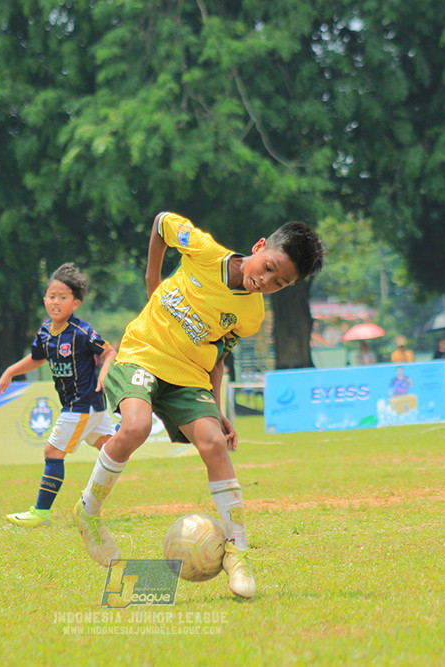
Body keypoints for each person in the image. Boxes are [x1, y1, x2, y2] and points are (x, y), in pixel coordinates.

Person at [70, 212, 324, 600]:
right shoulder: (204, 251)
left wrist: (218, 410)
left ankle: (237, 552)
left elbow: (218, 358)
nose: (267, 281)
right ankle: (88, 512)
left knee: (214, 444)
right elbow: (159, 223)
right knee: (135, 427)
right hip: (142, 354)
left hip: (188, 376)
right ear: (259, 247)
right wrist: (152, 281)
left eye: (281, 282)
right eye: (269, 267)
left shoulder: (251, 316)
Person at [0, 263, 118, 528]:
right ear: (45, 300)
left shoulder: (82, 331)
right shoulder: (44, 332)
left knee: (53, 451)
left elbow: (109, 352)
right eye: (52, 296)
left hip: (81, 405)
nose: (56, 302)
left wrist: (104, 374)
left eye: (63, 297)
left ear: (74, 303)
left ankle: (41, 513)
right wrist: (10, 371)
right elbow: (36, 359)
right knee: (112, 450)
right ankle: (90, 502)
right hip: (91, 408)